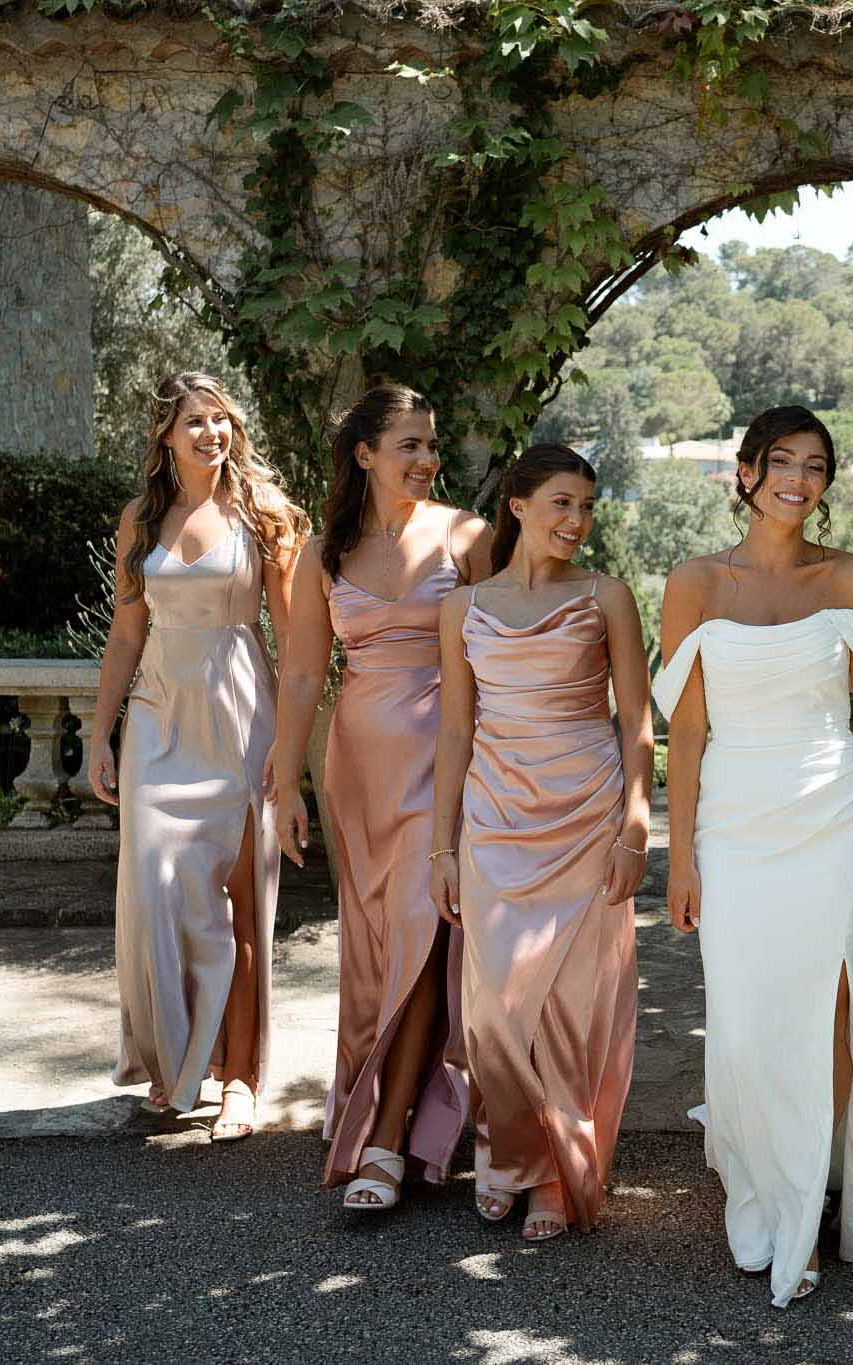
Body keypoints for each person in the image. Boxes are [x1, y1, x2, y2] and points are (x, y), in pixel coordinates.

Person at [653, 405, 853, 1307]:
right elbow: (689, 728)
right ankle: (772, 1172)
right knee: (747, 1018)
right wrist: (680, 860)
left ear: (828, 481)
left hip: (832, 812)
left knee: (827, 1005)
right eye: (780, 460)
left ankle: (809, 1205)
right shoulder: (693, 582)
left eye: (816, 464)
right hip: (736, 819)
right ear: (744, 472)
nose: (797, 477)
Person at [266, 383, 493, 1210]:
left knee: (428, 933)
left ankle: (390, 1141)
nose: (427, 459)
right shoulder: (324, 552)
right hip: (358, 770)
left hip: (449, 764)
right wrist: (285, 781)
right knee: (373, 953)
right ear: (364, 452)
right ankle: (380, 1108)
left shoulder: (470, 536)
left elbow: (509, 648)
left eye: (432, 444)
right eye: (409, 444)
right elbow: (299, 676)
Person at [428, 444, 652, 1240]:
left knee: (567, 1006)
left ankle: (554, 1172)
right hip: (495, 819)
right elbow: (455, 730)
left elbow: (637, 721)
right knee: (493, 1005)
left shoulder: (608, 597)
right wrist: (440, 846)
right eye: (562, 503)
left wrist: (636, 820)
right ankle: (505, 1154)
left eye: (587, 507)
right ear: (517, 505)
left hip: (586, 812)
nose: (577, 521)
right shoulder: (463, 608)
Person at [89, 371, 307, 1141]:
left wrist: (294, 745)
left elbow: (295, 640)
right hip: (156, 719)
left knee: (244, 905)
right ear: (165, 436)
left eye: (220, 419)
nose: (211, 433)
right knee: (155, 894)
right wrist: (99, 731)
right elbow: (124, 636)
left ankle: (241, 1077)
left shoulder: (265, 514)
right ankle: (177, 1058)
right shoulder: (139, 520)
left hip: (241, 715)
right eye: (194, 422)